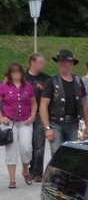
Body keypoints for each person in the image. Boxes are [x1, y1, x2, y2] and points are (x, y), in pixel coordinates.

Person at [39, 49, 88, 152]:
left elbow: (84, 104)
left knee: (72, 154)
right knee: (58, 154)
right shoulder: (52, 81)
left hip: (74, 123)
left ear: (71, 63)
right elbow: (43, 105)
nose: (62, 63)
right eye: (60, 61)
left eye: (65, 61)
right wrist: (47, 128)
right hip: (56, 123)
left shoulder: (78, 80)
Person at [0, 63, 37, 188]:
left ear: (22, 73)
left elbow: (34, 103)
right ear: (9, 73)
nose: (16, 74)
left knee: (26, 147)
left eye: (18, 71)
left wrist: (32, 117)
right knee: (11, 149)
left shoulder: (28, 87)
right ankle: (12, 179)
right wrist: (1, 117)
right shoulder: (4, 87)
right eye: (13, 71)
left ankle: (25, 170)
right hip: (9, 121)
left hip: (25, 121)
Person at [25, 53, 48, 182]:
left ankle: (38, 172)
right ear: (32, 63)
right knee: (28, 145)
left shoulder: (46, 79)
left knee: (39, 145)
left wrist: (45, 89)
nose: (43, 65)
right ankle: (30, 169)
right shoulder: (23, 77)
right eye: (40, 62)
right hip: (25, 115)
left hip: (39, 114)